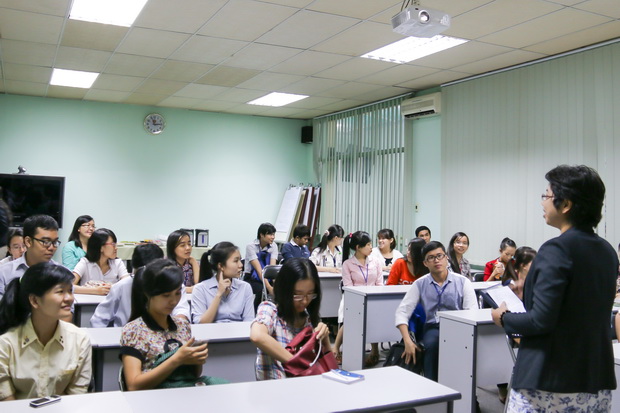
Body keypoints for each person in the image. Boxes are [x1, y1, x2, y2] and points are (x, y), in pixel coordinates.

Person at [492, 165, 617, 411]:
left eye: (547, 196)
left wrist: (503, 318)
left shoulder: (556, 249)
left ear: (566, 204)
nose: (542, 203)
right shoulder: (607, 251)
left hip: (550, 380)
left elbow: (541, 321)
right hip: (595, 377)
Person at [120, 259, 227, 390]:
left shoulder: (182, 326)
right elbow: (134, 385)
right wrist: (177, 359)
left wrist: (196, 360)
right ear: (148, 294)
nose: (173, 301)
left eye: (177, 293)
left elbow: (191, 376)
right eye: (166, 295)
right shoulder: (134, 331)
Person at [0, 262, 91, 400]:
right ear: (35, 301)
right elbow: (7, 400)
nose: (69, 298)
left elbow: (77, 396)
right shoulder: (6, 343)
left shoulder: (79, 340)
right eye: (60, 291)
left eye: (70, 291)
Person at [395, 240, 477, 381]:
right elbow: (402, 312)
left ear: (446, 258)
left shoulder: (463, 282)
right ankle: (432, 386)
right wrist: (407, 341)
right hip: (433, 327)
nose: (436, 260)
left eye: (440, 256)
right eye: (431, 258)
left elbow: (472, 312)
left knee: (462, 350)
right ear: (425, 263)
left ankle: (466, 392)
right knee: (432, 345)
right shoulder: (420, 284)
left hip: (460, 327)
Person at [249, 258, 330, 380]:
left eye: (310, 294)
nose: (305, 301)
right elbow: (257, 336)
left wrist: (325, 338)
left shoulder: (308, 318)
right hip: (275, 392)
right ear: (284, 290)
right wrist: (298, 365)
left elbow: (328, 363)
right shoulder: (270, 310)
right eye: (297, 294)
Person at [90, 243, 190, 327]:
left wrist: (176, 328)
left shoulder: (174, 284)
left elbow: (182, 311)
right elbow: (99, 319)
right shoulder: (121, 287)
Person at [338, 231, 383, 367]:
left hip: (373, 298)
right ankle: (336, 350)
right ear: (358, 247)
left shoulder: (375, 262)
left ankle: (375, 352)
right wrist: (360, 298)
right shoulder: (348, 264)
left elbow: (380, 284)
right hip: (353, 299)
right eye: (368, 245)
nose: (371, 247)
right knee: (351, 319)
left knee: (374, 319)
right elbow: (348, 287)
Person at [0, 215, 61, 300]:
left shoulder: (62, 274)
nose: (51, 248)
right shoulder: (4, 273)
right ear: (28, 241)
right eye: (45, 242)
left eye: (55, 242)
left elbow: (69, 310)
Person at [191, 242, 254, 323]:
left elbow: (249, 322)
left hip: (239, 334)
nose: (241, 265)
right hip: (211, 334)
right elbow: (199, 324)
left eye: (240, 260)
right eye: (236, 261)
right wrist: (219, 295)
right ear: (220, 266)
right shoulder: (200, 289)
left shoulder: (245, 288)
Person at [73, 228, 129, 295]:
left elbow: (127, 284)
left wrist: (111, 288)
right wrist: (95, 290)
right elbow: (68, 286)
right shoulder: (85, 263)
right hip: (88, 303)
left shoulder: (117, 263)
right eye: (113, 244)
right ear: (101, 247)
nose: (116, 248)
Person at [244, 223, 278, 310]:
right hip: (252, 277)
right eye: (270, 234)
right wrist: (270, 288)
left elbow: (272, 269)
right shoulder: (250, 246)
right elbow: (259, 270)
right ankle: (255, 314)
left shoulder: (274, 246)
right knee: (262, 290)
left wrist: (275, 285)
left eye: (273, 234)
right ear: (261, 235)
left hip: (267, 276)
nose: (273, 237)